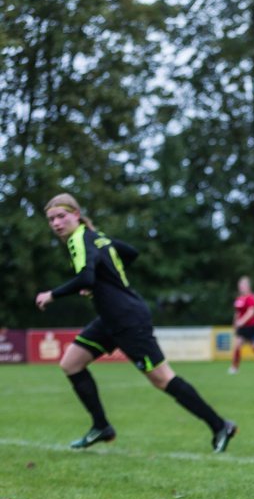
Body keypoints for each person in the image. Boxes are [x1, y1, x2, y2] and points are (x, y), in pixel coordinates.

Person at [34, 193, 237, 452]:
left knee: (162, 378)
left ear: (76, 214)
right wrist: (103, 278)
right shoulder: (97, 237)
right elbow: (130, 253)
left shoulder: (80, 239)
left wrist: (51, 294)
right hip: (110, 318)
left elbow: (85, 279)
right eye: (51, 219)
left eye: (61, 216)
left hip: (127, 319)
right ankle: (101, 427)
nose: (56, 223)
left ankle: (220, 425)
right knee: (71, 363)